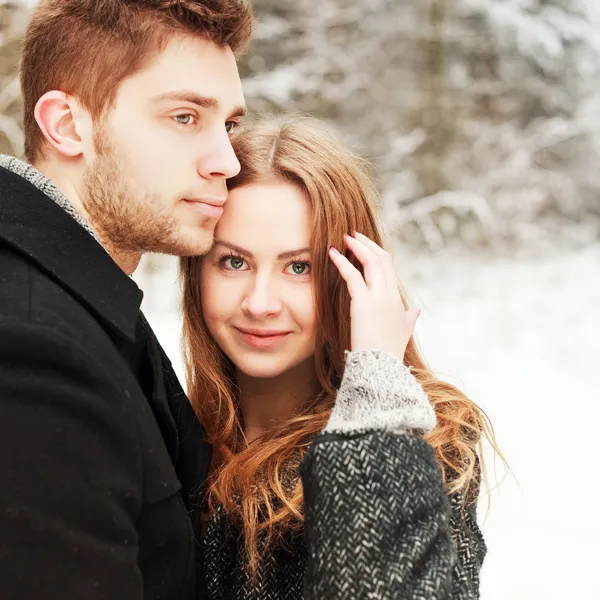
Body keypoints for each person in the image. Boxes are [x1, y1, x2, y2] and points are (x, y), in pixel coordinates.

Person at [180, 115, 496, 599]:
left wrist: (374, 415)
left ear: (356, 279)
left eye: (299, 267)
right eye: (234, 262)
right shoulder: (177, 439)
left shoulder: (423, 448)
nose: (260, 302)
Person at [0, 1, 253, 599]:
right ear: (67, 125)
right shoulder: (30, 350)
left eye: (230, 124)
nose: (227, 161)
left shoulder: (80, 298)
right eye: (186, 117)